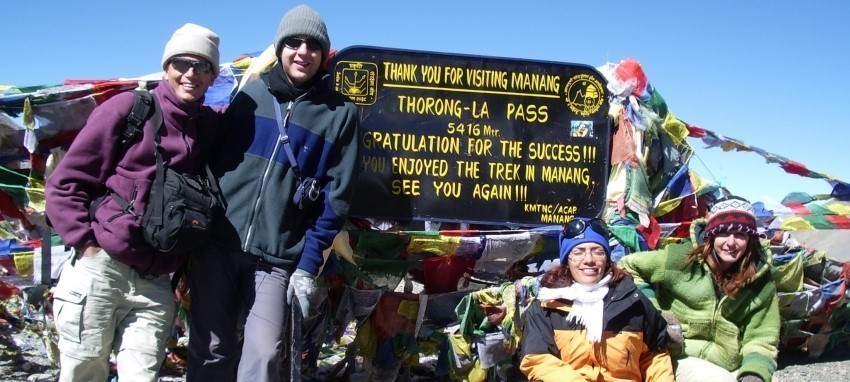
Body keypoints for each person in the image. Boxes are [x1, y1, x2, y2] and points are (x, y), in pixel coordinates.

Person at [187, 4, 359, 381]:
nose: (303, 52)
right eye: (293, 42)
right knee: (211, 351)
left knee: (264, 354)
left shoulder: (340, 113)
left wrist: (308, 265)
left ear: (324, 53)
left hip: (278, 259)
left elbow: (336, 197)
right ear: (280, 47)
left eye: (313, 45)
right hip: (218, 246)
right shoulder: (248, 95)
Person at [45, 23, 221, 382]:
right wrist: (86, 244)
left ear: (213, 76)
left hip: (157, 281)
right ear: (166, 67)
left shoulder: (206, 127)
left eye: (202, 66)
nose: (191, 74)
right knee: (83, 373)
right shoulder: (129, 109)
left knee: (141, 376)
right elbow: (65, 183)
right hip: (102, 269)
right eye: (181, 63)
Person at [618, 196, 780, 382]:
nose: (731, 242)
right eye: (723, 233)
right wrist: (656, 315)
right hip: (681, 353)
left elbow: (762, 337)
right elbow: (628, 266)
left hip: (730, 361)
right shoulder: (682, 260)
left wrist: (754, 373)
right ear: (711, 235)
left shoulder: (760, 279)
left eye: (740, 235)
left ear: (750, 239)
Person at [519, 217, 675, 381]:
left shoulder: (632, 300)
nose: (589, 260)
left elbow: (655, 355)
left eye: (597, 251)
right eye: (578, 252)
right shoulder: (546, 306)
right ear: (566, 260)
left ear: (607, 259)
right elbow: (538, 359)